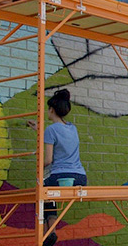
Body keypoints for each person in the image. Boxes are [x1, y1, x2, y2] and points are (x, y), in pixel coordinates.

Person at [28, 89, 87, 246]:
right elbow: (60, 139)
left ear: (51, 109)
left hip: (62, 176)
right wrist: (38, 130)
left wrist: (37, 165)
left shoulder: (51, 130)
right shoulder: (72, 128)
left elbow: (48, 160)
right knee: (50, 194)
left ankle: (48, 232)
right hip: (80, 177)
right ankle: (50, 232)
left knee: (41, 190)